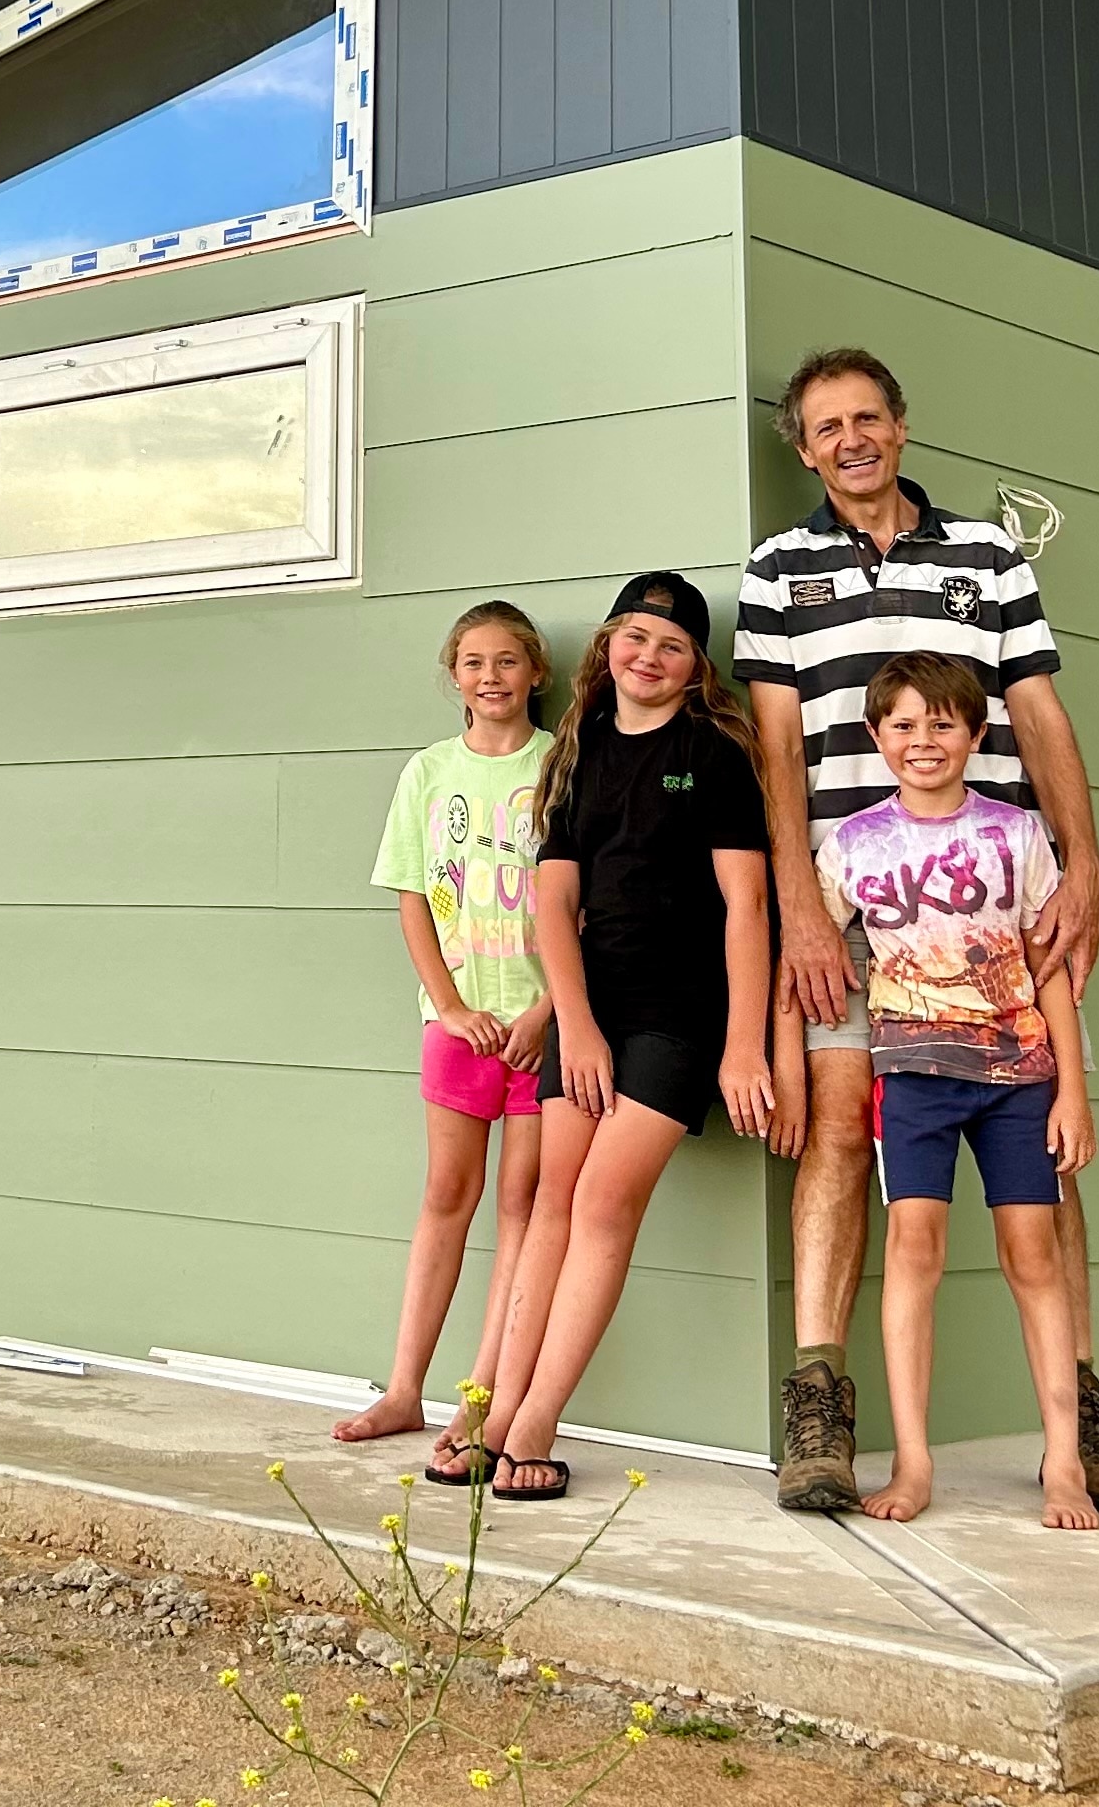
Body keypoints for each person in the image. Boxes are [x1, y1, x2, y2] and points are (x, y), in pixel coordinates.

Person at [737, 345, 1099, 1519]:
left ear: (902, 425)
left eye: (868, 416)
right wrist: (804, 912)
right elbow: (775, 749)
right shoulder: (778, 573)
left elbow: (1037, 711)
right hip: (849, 905)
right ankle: (821, 1410)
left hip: (991, 907)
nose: (851, 440)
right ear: (804, 448)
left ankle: (1079, 1413)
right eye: (826, 428)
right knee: (836, 1130)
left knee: (1047, 1153)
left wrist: (1084, 864)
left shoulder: (985, 555)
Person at [469, 575, 780, 1504]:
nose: (648, 656)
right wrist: (578, 1025)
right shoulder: (580, 750)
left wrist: (744, 1046)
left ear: (696, 667)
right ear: (608, 647)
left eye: (671, 645)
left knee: (604, 1202)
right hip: (589, 1012)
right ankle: (492, 1411)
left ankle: (535, 1421)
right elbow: (553, 904)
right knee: (551, 1199)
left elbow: (746, 905)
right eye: (634, 638)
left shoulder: (714, 751)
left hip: (682, 1014)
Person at [814, 652, 1099, 1530]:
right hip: (911, 1080)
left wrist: (1073, 1092)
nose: (923, 740)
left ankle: (1065, 1460)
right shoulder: (851, 844)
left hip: (1020, 1077)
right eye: (902, 725)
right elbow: (818, 960)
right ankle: (912, 1460)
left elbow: (1047, 961)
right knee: (914, 1252)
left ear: (978, 734)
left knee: (1036, 1256)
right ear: (875, 737)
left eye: (943, 724)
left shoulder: (1016, 833)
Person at [332, 600, 559, 1477]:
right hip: (457, 1025)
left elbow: (586, 902)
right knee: (446, 1197)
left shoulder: (561, 767)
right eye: (473, 662)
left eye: (507, 661)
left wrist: (547, 1012)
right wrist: (451, 1003)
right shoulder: (429, 772)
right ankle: (402, 1387)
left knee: (524, 1209)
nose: (491, 676)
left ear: (536, 671)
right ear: (454, 676)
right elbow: (413, 899)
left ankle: (482, 1400)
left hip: (543, 1028)